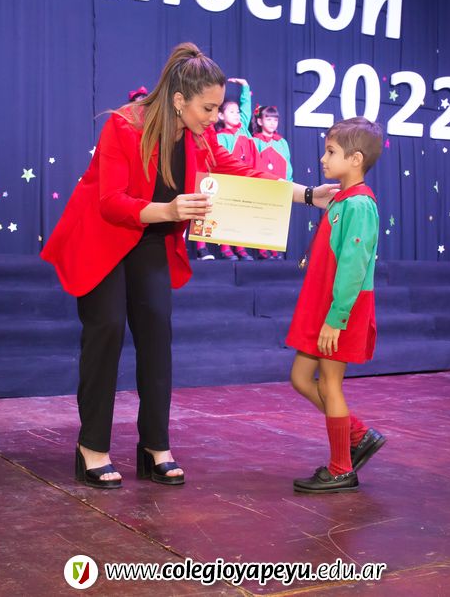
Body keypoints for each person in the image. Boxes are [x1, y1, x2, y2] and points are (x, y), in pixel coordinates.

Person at [40, 43, 337, 489]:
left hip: (150, 239)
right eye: (208, 108)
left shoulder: (200, 136)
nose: (215, 118)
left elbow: (241, 171)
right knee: (107, 331)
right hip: (102, 237)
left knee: (157, 334)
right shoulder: (124, 125)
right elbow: (111, 203)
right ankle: (92, 448)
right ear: (180, 100)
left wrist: (308, 195)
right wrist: (171, 209)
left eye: (218, 108)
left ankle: (154, 446)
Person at [286, 117, 387, 493]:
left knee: (330, 384)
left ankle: (341, 467)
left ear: (355, 159)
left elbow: (353, 266)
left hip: (339, 310)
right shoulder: (342, 200)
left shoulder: (360, 204)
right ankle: (357, 435)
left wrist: (336, 318)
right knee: (301, 378)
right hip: (323, 305)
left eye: (331, 152)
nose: (323, 159)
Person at [197, 77, 256, 261]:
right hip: (224, 178)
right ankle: (205, 247)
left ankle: (238, 248)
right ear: (221, 116)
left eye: (237, 112)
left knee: (238, 214)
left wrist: (245, 87)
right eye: (231, 112)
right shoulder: (220, 136)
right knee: (211, 212)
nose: (237, 115)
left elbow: (246, 108)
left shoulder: (243, 129)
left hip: (243, 178)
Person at [252, 105, 291, 259]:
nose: (272, 123)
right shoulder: (255, 140)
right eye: (268, 119)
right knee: (262, 216)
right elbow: (252, 163)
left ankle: (274, 248)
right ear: (260, 121)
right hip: (262, 186)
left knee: (276, 217)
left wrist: (289, 182)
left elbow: (287, 164)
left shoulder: (282, 142)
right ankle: (262, 248)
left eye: (275, 120)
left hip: (279, 185)